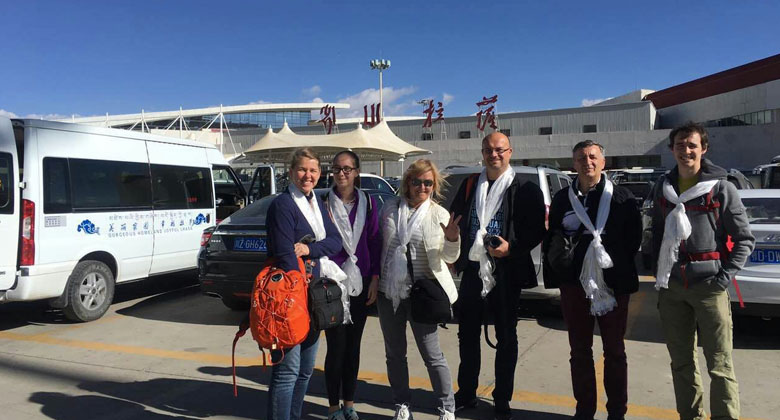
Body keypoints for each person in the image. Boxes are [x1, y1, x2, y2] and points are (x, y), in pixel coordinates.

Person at [650, 122, 754, 420]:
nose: (686, 151)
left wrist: (723, 278)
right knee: (681, 362)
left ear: (703, 149)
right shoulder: (663, 188)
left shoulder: (722, 187)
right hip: (672, 289)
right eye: (680, 145)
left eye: (692, 145)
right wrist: (658, 273)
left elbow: (745, 239)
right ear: (672, 149)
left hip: (709, 286)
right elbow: (657, 232)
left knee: (719, 364)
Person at [449, 132, 546, 420]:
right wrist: (453, 242)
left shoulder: (525, 188)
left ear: (510, 152)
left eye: (500, 150)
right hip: (472, 269)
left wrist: (511, 248)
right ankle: (466, 392)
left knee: (506, 336)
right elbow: (454, 220)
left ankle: (502, 398)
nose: (494, 155)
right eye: (489, 150)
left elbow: (536, 230)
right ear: (482, 152)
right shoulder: (470, 185)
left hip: (506, 271)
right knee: (467, 334)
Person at [543, 140, 642, 420]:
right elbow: (554, 236)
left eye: (592, 157)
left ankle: (616, 412)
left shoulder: (622, 197)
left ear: (603, 162)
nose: (587, 162)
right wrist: (565, 265)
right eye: (581, 158)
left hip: (612, 284)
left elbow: (633, 239)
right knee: (580, 351)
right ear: (573, 164)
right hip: (574, 285)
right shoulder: (563, 198)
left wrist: (605, 264)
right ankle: (584, 410)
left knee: (614, 351)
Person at [377, 158, 461, 420]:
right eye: (417, 182)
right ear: (407, 183)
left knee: (432, 354)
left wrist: (452, 238)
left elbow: (450, 257)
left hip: (423, 294)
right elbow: (379, 246)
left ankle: (447, 407)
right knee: (395, 354)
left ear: (433, 185)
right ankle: (401, 404)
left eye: (428, 183)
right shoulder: (389, 209)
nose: (422, 187)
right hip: (388, 291)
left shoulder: (439, 214)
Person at [265, 147, 344, 420]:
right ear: (291, 172)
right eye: (302, 169)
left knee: (306, 370)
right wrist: (305, 253)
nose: (307, 175)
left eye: (312, 170)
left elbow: (335, 242)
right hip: (290, 299)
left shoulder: (316, 204)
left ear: (320, 174)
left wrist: (310, 249)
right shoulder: (283, 205)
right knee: (287, 371)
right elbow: (285, 254)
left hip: (314, 297)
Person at [323, 150, 382, 420]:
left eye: (347, 169)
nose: (342, 173)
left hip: (361, 283)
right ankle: (333, 406)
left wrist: (375, 278)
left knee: (353, 347)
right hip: (332, 284)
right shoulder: (324, 202)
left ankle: (350, 403)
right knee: (335, 348)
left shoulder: (368, 202)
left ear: (357, 171)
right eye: (337, 169)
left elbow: (374, 240)